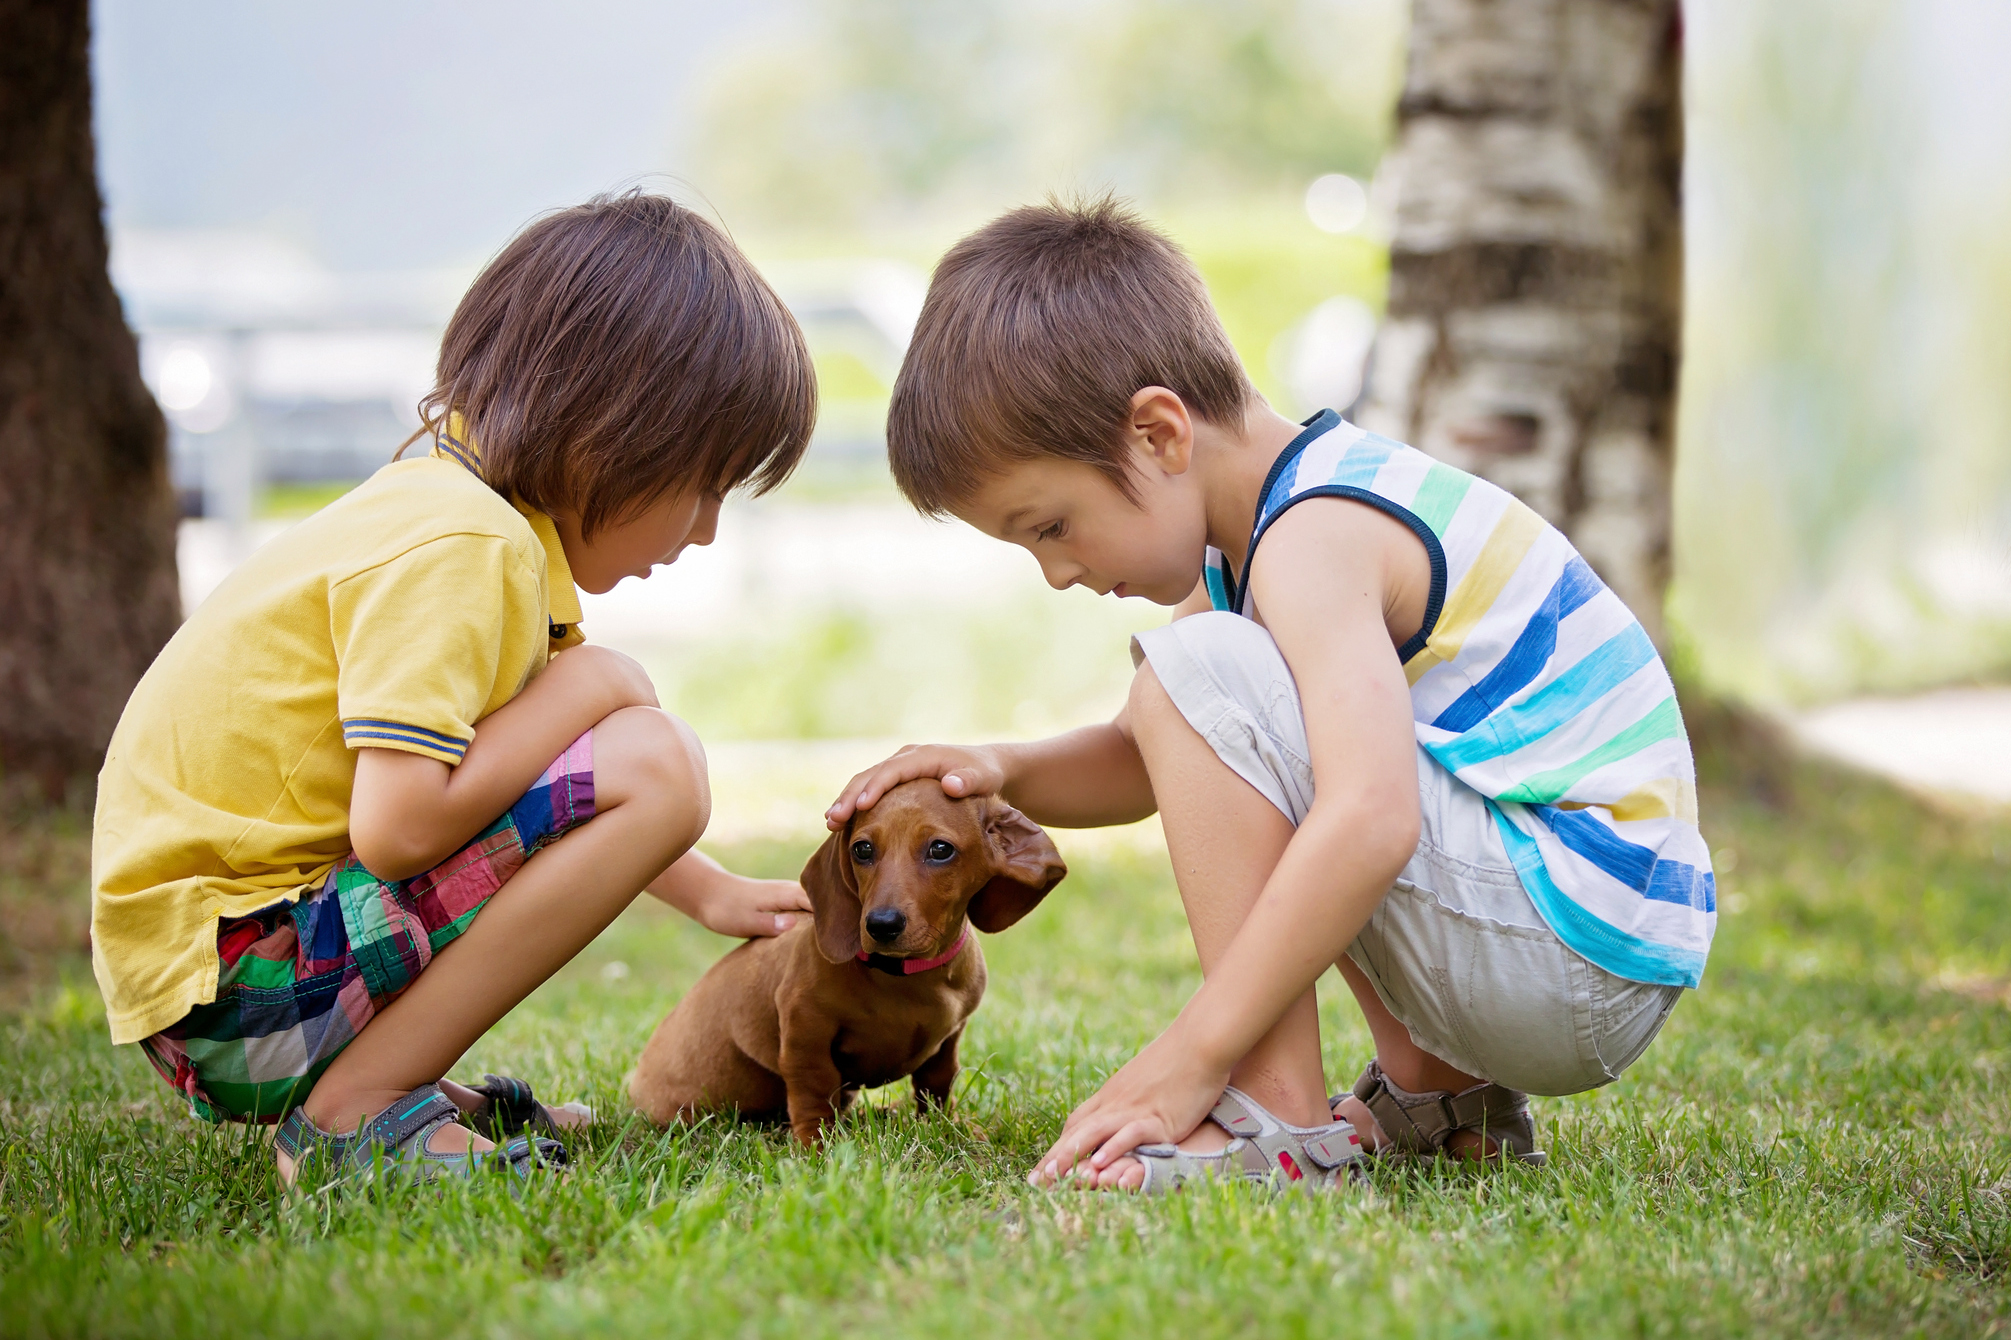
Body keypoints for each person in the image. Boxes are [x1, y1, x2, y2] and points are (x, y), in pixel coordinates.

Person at [826, 198, 1714, 1191]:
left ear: (1159, 432)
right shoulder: (1266, 534)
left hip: (1570, 939)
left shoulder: (1311, 534)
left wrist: (1191, 1053)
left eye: (1051, 526)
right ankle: (1438, 1096)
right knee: (1207, 681)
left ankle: (1273, 1118)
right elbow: (1157, 752)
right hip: (1586, 936)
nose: (1057, 573)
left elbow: (1369, 815)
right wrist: (1000, 770)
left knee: (1210, 678)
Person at [92, 192, 817, 1185]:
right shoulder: (463, 546)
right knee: (657, 759)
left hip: (225, 981)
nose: (704, 531)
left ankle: (380, 1083)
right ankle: (355, 1111)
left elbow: (554, 790)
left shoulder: (471, 522)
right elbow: (399, 827)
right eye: (704, 483)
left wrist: (708, 888)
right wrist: (598, 681)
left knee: (643, 758)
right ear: (612, 431)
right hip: (239, 992)